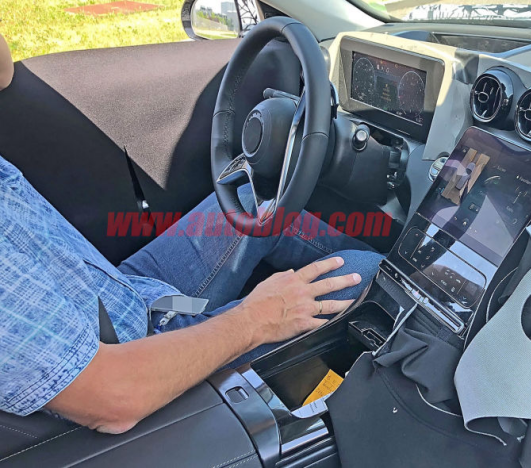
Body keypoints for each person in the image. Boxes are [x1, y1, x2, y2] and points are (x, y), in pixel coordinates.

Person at [0, 33, 384, 434]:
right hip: (134, 360)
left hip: (117, 295)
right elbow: (111, 397)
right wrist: (258, 318)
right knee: (367, 274)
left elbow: (3, 71)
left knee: (253, 203)